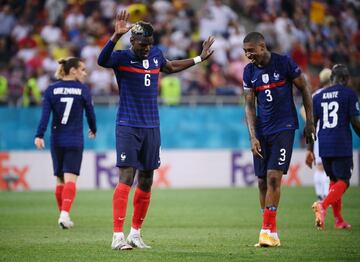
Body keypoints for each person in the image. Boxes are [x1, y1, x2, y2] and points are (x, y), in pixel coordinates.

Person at [97, 10, 214, 251]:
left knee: (147, 180)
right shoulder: (120, 58)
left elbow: (169, 67)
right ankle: (117, 236)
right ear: (132, 41)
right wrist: (114, 36)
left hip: (152, 127)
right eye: (142, 44)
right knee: (127, 177)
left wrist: (199, 59)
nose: (147, 49)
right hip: (128, 125)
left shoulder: (156, 55)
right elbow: (101, 60)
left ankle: (135, 234)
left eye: (150, 44)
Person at [242, 32, 315, 247]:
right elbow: (248, 105)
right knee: (262, 181)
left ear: (262, 47)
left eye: (251, 50)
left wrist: (310, 122)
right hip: (262, 131)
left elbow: (305, 88)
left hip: (284, 127)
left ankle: (266, 231)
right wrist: (253, 136)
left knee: (274, 177)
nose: (248, 55)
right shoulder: (249, 71)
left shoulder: (283, 63)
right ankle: (270, 232)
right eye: (245, 51)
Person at [34, 57, 97, 229]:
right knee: (71, 180)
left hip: (57, 139)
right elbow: (90, 114)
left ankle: (63, 214)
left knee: (60, 179)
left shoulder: (51, 90)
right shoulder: (83, 90)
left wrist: (39, 135)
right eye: (82, 69)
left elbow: (45, 116)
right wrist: (93, 128)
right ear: (73, 70)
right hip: (74, 139)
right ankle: (64, 214)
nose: (85, 73)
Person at [311, 64, 360, 230]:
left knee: (333, 180)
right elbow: (355, 122)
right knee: (344, 181)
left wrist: (310, 149)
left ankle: (339, 220)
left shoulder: (318, 96)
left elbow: (311, 126)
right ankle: (323, 205)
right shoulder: (349, 94)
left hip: (323, 144)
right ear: (346, 79)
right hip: (341, 143)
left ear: (331, 79)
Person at [303, 68, 332, 200]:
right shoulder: (337, 93)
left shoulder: (316, 95)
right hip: (328, 133)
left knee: (320, 167)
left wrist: (309, 122)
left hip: (319, 133)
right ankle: (325, 196)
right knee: (324, 167)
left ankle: (321, 195)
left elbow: (303, 109)